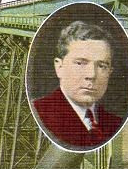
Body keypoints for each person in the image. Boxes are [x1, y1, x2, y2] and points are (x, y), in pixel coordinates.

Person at [33, 20, 122, 148]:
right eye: (80, 63)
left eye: (102, 66)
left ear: (110, 72)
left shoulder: (115, 123)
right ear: (59, 67)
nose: (91, 75)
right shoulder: (40, 113)